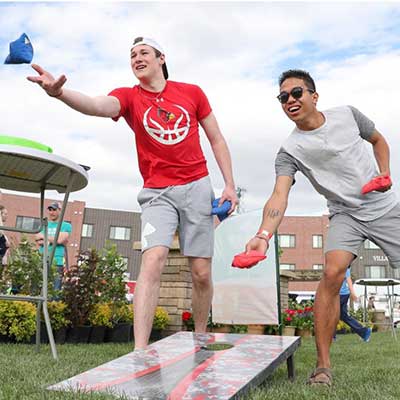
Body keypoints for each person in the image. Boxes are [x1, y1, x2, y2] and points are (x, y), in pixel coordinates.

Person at [27, 37, 238, 349]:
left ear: (161, 58)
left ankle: (200, 336)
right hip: (157, 192)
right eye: (132, 55)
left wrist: (229, 185)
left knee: (201, 272)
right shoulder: (129, 97)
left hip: (196, 185)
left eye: (143, 53)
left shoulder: (192, 93)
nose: (137, 58)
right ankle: (140, 350)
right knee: (153, 260)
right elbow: (98, 105)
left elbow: (217, 138)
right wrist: (60, 94)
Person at [244, 69, 398, 386]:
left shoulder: (348, 116)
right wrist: (263, 235)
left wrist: (384, 173)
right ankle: (323, 367)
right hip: (345, 214)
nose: (290, 100)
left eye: (296, 93)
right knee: (331, 272)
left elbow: (379, 140)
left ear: (314, 96)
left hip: (384, 207)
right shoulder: (290, 150)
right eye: (283, 97)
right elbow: (279, 195)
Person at [35, 202, 71, 291]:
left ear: (60, 210)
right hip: (42, 259)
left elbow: (59, 240)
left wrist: (44, 237)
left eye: (54, 210)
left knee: (55, 290)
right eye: (50, 210)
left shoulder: (66, 225)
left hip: (57, 261)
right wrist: (55, 239)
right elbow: (38, 239)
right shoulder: (44, 224)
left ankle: (53, 305)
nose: (51, 212)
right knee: (38, 288)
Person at [333, 266, 371, 342]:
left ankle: (331, 337)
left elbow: (348, 279)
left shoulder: (344, 265)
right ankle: (364, 332)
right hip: (341, 294)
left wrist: (353, 293)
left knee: (332, 315)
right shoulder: (338, 263)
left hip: (340, 294)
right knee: (343, 316)